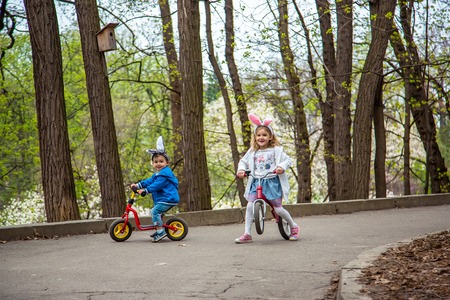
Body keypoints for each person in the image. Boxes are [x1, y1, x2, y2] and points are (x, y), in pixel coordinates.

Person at [235, 113, 299, 244]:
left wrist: (281, 166)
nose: (261, 137)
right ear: (255, 137)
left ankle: (293, 226)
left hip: (272, 182)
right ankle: (247, 233)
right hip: (257, 181)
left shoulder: (276, 150)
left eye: (264, 135)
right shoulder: (253, 151)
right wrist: (241, 170)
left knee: (278, 209)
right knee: (249, 206)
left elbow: (287, 160)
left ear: (270, 137)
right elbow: (243, 161)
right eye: (258, 135)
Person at [131, 136, 179, 242]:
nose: (158, 163)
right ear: (152, 163)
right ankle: (159, 229)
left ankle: (160, 232)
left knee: (155, 211)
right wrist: (138, 185)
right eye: (156, 161)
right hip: (163, 198)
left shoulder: (164, 175)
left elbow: (157, 185)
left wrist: (146, 190)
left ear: (167, 163)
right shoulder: (157, 174)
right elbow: (149, 181)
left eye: (161, 161)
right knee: (155, 211)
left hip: (168, 199)